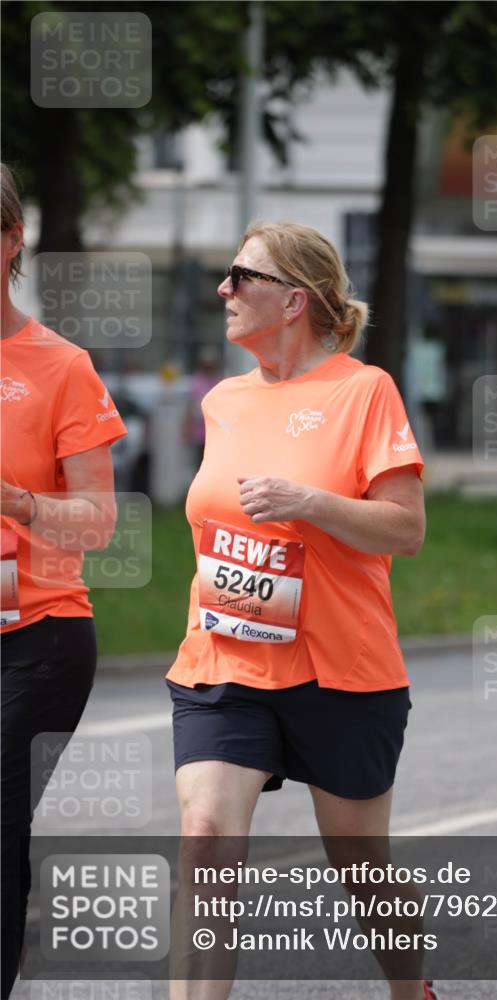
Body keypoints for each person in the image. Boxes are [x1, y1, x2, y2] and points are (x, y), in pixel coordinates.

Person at [166, 221, 438, 1000]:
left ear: (293, 300)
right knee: (206, 843)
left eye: (240, 276)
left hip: (339, 668)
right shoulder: (224, 402)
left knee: (360, 866)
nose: (223, 289)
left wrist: (308, 503)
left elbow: (406, 529)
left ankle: (409, 989)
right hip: (224, 660)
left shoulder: (363, 390)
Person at [0, 163, 127, 999]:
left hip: (35, 639)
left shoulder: (59, 366)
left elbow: (97, 520)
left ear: (11, 240)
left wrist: (16, 501)